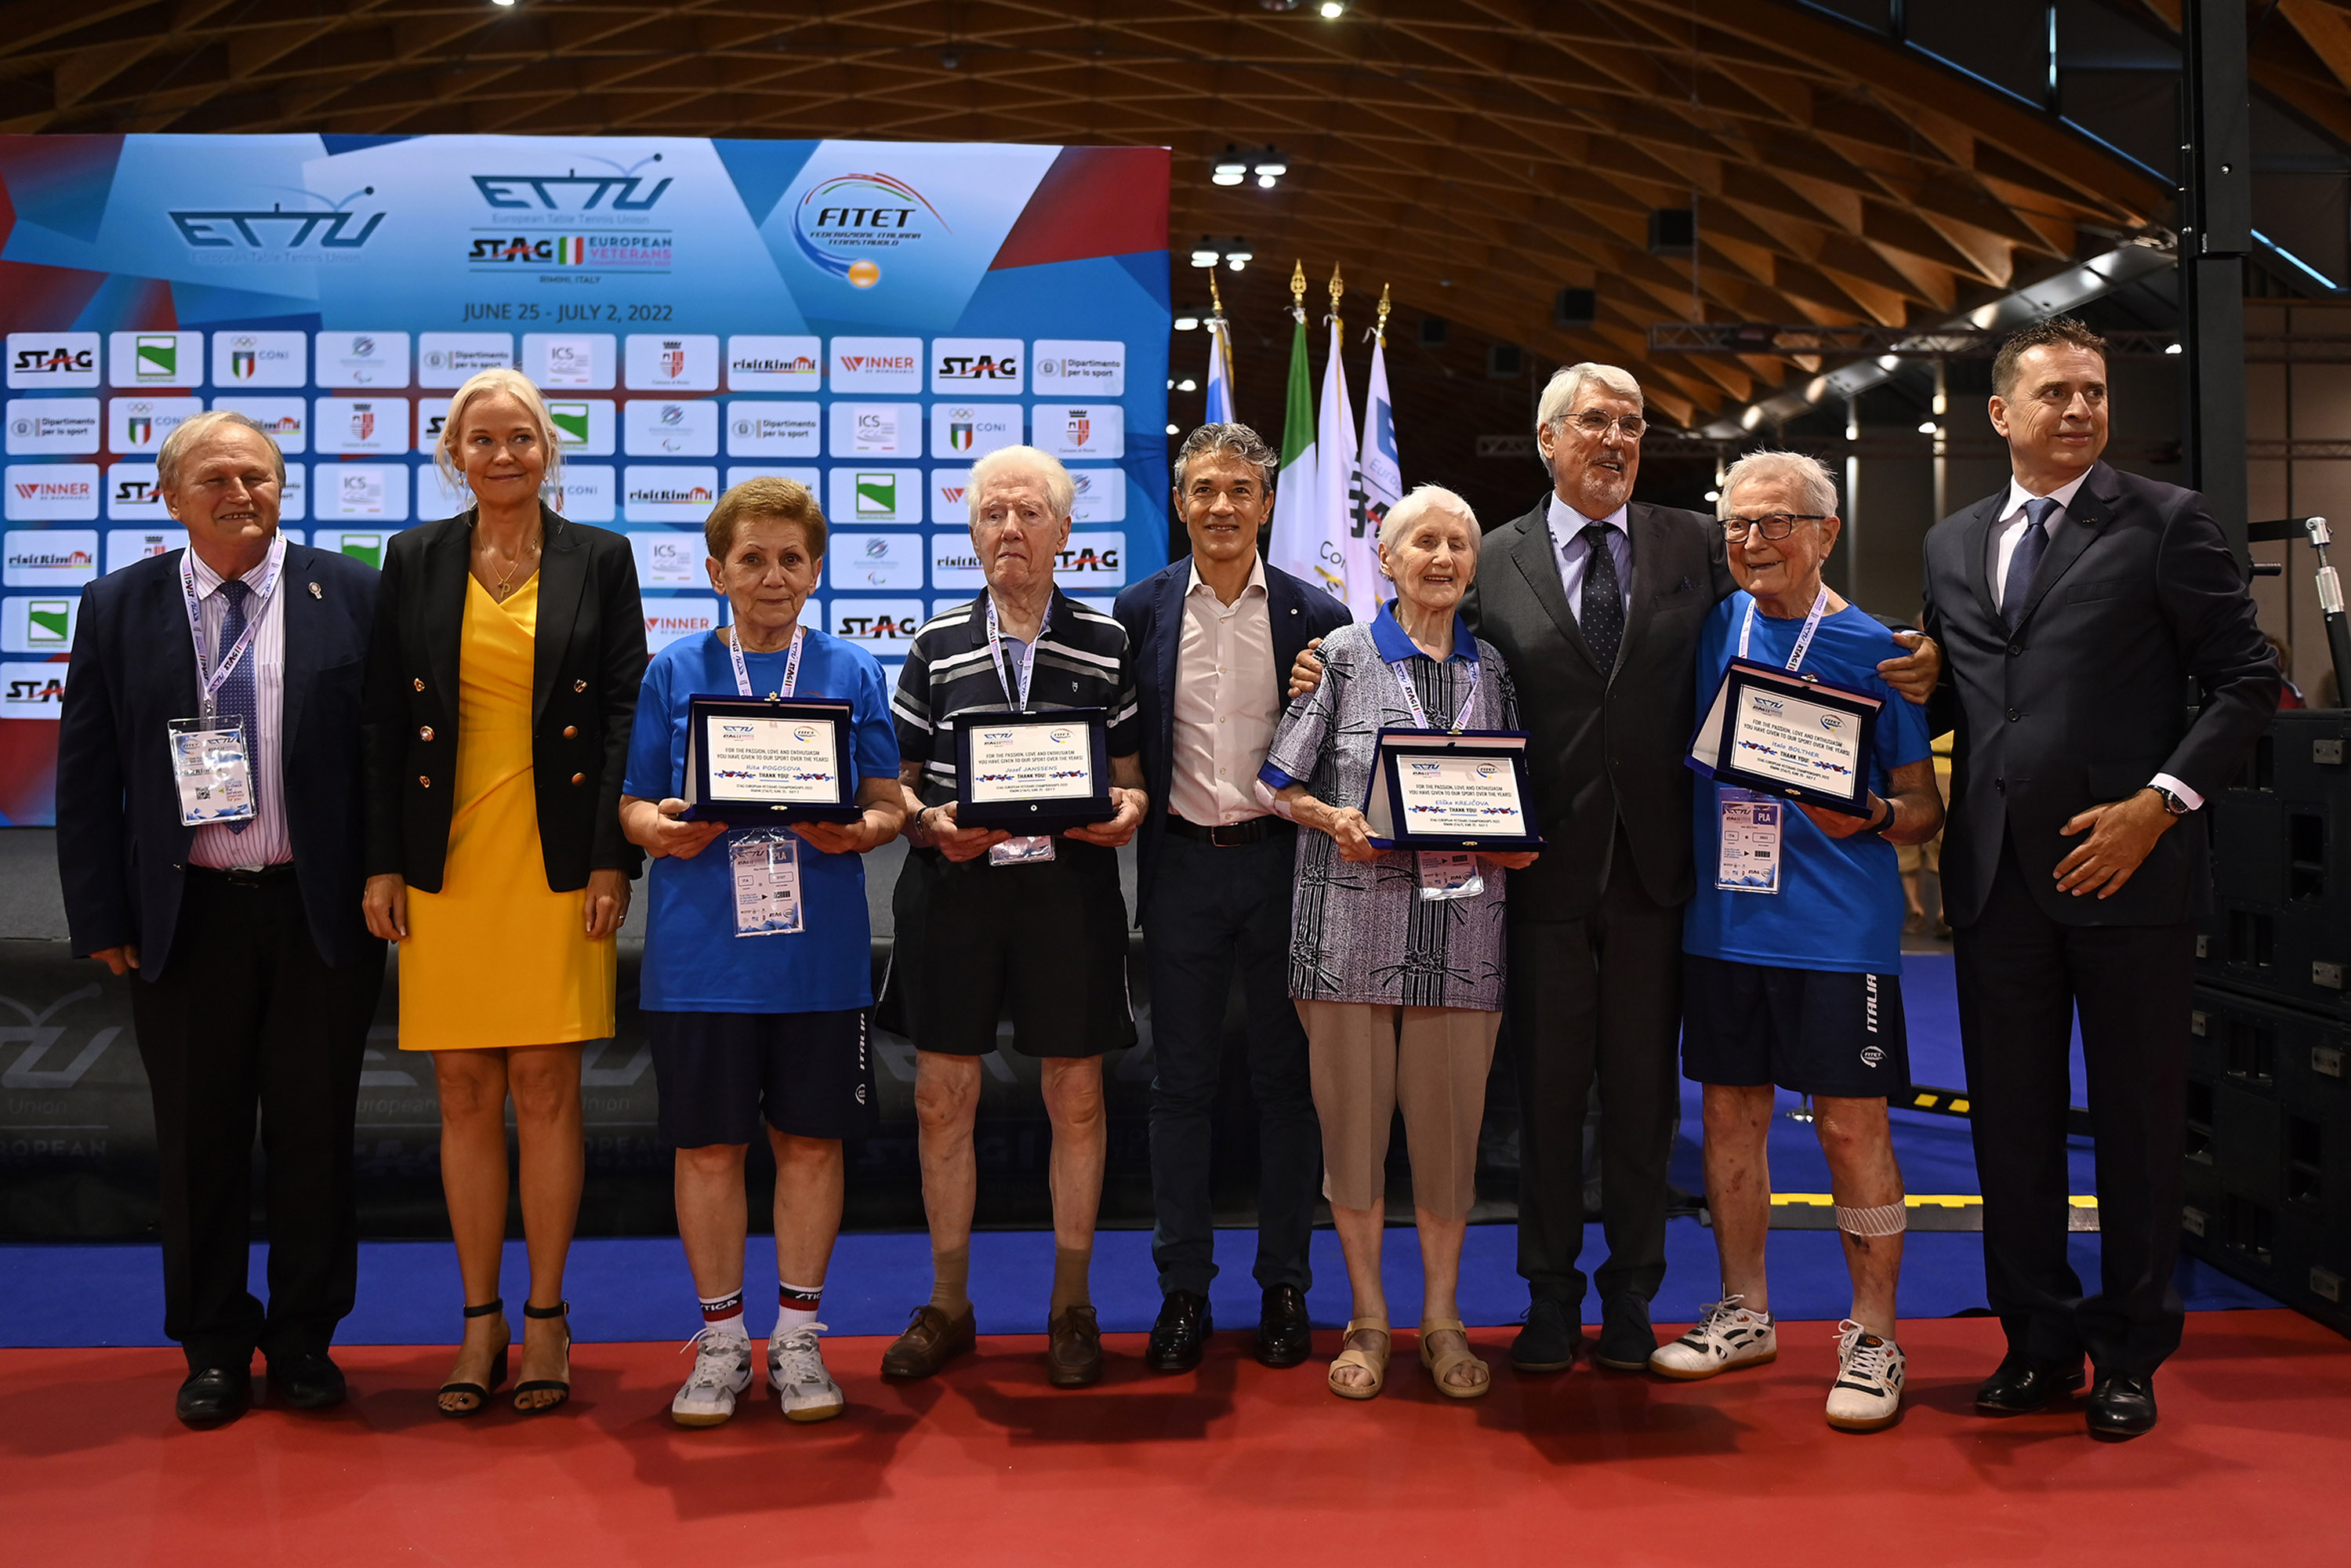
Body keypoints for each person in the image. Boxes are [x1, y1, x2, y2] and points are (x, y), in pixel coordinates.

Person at [1292, 364, 1939, 1374]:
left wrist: (1912, 655)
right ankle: (1548, 1296)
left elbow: (1797, 600)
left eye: (1631, 423)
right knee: (1546, 1101)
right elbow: (1417, 651)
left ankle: (1632, 1294)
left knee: (1643, 1104)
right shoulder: (1489, 554)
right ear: (1547, 439)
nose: (1614, 438)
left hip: (1662, 875)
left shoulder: (1697, 541)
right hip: (1532, 872)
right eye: (1593, 421)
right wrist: (1317, 658)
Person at [1922, 317, 2279, 1439]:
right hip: (1992, 884)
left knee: (2132, 1128)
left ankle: (2130, 1351)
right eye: (2053, 393)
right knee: (2009, 1135)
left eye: (2092, 391)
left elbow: (2245, 681)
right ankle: (2034, 1344)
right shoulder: (1949, 542)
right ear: (1999, 415)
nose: (2077, 409)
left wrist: (2156, 807)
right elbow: (1982, 693)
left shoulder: (2168, 523)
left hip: (2128, 877)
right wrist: (1919, 680)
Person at [56, 411, 383, 1426]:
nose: (240, 491)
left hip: (318, 916)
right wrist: (102, 912)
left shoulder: (355, 596)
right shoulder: (117, 605)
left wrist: (388, 876)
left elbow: (382, 766)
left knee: (315, 1137)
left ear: (283, 485)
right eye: (216, 477)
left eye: (258, 473)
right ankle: (210, 1348)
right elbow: (87, 772)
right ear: (171, 496)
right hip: (185, 916)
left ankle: (303, 1341)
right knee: (197, 1143)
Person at [360, 367, 648, 1417]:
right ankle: (476, 1320)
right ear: (453, 454)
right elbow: (383, 720)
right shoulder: (413, 558)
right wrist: (383, 860)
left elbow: (624, 712)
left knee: (544, 1085)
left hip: (556, 856)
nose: (502, 455)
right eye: (479, 439)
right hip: (447, 858)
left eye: (519, 437)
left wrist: (617, 855)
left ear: (546, 448)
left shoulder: (600, 559)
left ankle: (546, 1318)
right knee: (463, 1090)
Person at [1652, 452, 1942, 1433]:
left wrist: (1865, 814)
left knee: (1851, 1127)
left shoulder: (1876, 649)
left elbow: (1920, 807)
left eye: (1776, 523)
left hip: (1835, 935)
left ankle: (1872, 1333)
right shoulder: (1709, 628)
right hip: (1725, 921)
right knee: (1730, 1117)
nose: (1752, 541)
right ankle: (1745, 1310)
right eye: (1736, 524)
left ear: (1824, 532)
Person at [619, 477, 904, 1426]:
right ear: (716, 571)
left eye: (791, 558)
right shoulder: (673, 669)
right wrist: (658, 828)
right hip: (701, 958)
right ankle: (719, 1341)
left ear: (816, 570)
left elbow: (886, 798)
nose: (772, 575)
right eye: (752, 558)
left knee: (810, 1141)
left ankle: (796, 1337)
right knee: (706, 1148)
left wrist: (860, 831)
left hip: (816, 954)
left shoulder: (853, 669)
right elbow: (633, 802)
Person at [1259, 485, 1535, 1402]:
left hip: (1463, 929)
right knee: (1353, 1134)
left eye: (1459, 543)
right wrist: (1328, 814)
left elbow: (1509, 786)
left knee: (1450, 1139)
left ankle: (1444, 1318)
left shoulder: (1491, 666)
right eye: (1424, 541)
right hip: (1345, 928)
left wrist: (1518, 834)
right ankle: (1369, 1316)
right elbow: (1275, 783)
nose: (1444, 558)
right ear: (1384, 556)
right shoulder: (1335, 656)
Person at [881, 444, 1148, 1389]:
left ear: (1064, 531)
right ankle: (949, 1301)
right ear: (971, 530)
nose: (1009, 529)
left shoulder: (1108, 643)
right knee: (939, 1096)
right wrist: (927, 823)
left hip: (1065, 893)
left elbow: (1127, 785)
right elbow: (897, 785)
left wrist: (1127, 813)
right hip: (953, 890)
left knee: (1075, 1095)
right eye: (992, 512)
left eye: (1029, 513)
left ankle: (1069, 1303)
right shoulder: (932, 643)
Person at [1113, 423, 1351, 1374]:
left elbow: (1344, 742)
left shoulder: (1316, 614)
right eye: (1203, 488)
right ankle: (1183, 1288)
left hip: (1285, 869)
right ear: (1181, 502)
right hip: (1180, 873)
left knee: (1287, 1090)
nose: (1220, 505)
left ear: (1264, 503)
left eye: (1240, 489)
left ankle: (1285, 1284)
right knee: (1178, 1088)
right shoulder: (1136, 610)